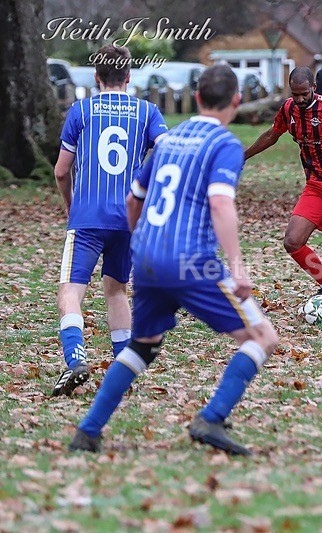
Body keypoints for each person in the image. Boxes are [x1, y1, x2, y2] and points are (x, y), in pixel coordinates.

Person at [68, 65, 279, 456]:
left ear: (196, 97)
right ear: (236, 101)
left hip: (147, 259)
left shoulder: (170, 139)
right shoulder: (225, 144)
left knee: (142, 346)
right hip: (190, 260)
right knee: (263, 337)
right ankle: (211, 418)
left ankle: (88, 431)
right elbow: (221, 203)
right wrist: (237, 266)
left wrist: (140, 242)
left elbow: (134, 199)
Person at [52, 44, 168, 397]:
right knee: (117, 290)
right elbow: (167, 151)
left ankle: (75, 358)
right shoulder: (147, 111)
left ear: (96, 77)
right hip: (129, 219)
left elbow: (61, 171)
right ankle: (123, 370)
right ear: (128, 77)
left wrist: (71, 206)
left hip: (88, 217)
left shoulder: (81, 110)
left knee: (70, 290)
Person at [244, 67, 322, 325]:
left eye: (304, 94)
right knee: (292, 241)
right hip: (316, 185)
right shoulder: (289, 109)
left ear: (314, 87)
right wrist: (243, 156)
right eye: (295, 94)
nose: (300, 99)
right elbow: (272, 135)